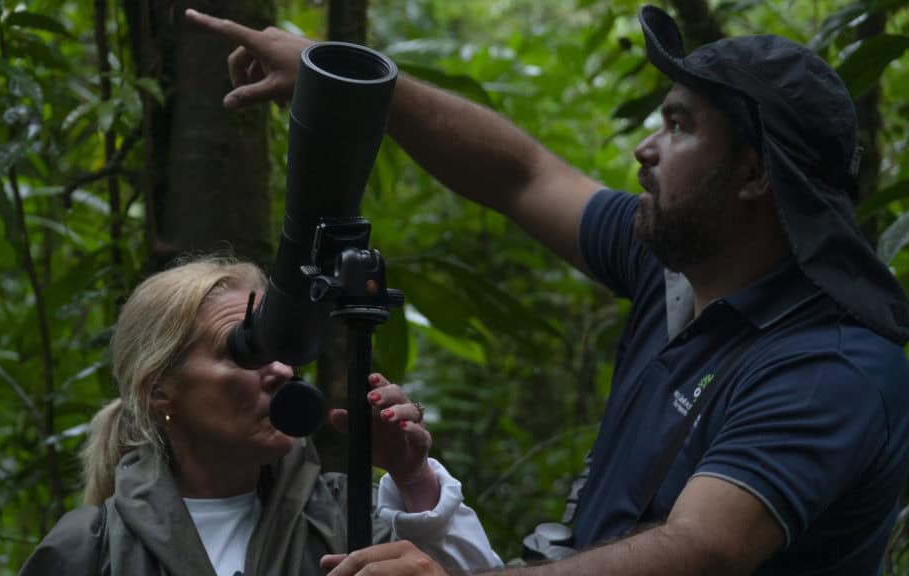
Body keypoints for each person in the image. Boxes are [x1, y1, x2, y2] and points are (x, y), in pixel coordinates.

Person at [184, 4, 909, 576]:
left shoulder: (829, 366)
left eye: (681, 126)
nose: (645, 148)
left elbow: (703, 550)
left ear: (754, 176)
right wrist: (340, 76)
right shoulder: (678, 266)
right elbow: (520, 175)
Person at [18, 258, 502, 576]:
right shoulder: (91, 549)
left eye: (280, 348)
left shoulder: (346, 517)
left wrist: (412, 476)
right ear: (158, 390)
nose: (282, 370)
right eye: (243, 351)